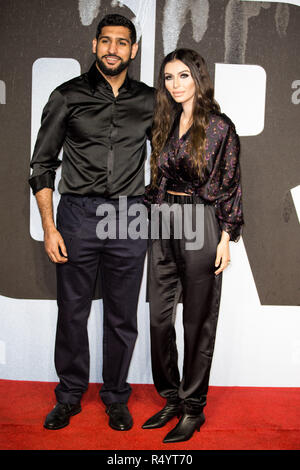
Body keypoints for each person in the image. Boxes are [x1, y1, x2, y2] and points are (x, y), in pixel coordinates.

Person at [29, 14, 154, 431]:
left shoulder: (152, 100)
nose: (113, 49)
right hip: (78, 216)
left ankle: (117, 397)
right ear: (94, 45)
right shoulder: (66, 96)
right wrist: (50, 227)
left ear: (133, 50)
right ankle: (68, 397)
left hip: (129, 217)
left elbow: (172, 158)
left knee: (122, 316)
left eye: (122, 42)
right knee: (73, 311)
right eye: (106, 41)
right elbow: (42, 165)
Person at [142, 49, 243, 443]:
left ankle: (193, 407)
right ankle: (171, 396)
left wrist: (226, 238)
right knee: (159, 319)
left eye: (183, 76)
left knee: (197, 321)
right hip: (164, 220)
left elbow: (231, 184)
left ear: (198, 78)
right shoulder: (165, 123)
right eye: (168, 77)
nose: (175, 85)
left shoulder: (219, 127)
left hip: (202, 221)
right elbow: (156, 180)